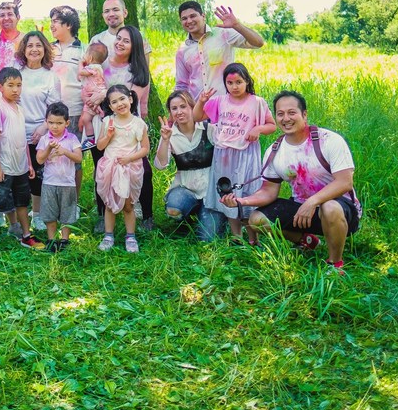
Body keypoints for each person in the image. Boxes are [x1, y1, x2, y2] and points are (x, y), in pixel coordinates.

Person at [221, 90, 361, 272]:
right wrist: (241, 201)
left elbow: (344, 182)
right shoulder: (275, 150)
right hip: (302, 211)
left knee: (329, 207)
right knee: (256, 219)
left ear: (304, 114)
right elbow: (269, 191)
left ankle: (335, 263)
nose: (286, 118)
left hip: (340, 210)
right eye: (280, 114)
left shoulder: (329, 140)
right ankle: (307, 240)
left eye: (291, 112)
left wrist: (313, 201)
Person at [193, 62, 275, 243]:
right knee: (227, 193)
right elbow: (196, 117)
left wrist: (259, 129)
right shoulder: (219, 101)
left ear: (247, 81)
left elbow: (272, 125)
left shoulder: (257, 103)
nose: (234, 86)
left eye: (239, 82)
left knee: (246, 193)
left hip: (246, 156)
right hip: (223, 156)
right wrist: (201, 101)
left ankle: (253, 237)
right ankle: (237, 236)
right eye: (230, 83)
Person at [95, 24, 155, 230]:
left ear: (134, 46)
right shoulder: (102, 64)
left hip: (131, 127)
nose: (120, 43)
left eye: (126, 41)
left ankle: (146, 214)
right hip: (105, 123)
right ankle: (103, 215)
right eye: (118, 38)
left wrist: (103, 95)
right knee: (103, 170)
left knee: (143, 171)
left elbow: (132, 97)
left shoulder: (138, 71)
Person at [0, 67, 45, 255]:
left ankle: (26, 235)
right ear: (0, 87)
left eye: (19, 85)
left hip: (20, 167)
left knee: (22, 202)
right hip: (4, 168)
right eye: (10, 85)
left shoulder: (19, 109)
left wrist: (28, 163)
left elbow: (22, 138)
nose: (15, 89)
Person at [154, 90, 223, 242]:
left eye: (183, 106)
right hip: (186, 190)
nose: (179, 112)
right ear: (171, 113)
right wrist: (165, 140)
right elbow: (160, 165)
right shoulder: (169, 134)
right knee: (173, 208)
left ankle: (209, 216)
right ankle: (187, 219)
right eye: (174, 108)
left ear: (192, 107)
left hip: (211, 193)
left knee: (207, 239)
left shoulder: (208, 129)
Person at [14, 30, 62, 234]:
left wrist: (44, 127)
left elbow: (55, 109)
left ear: (45, 50)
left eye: (38, 45)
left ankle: (38, 214)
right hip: (16, 132)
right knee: (16, 176)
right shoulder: (16, 73)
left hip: (40, 134)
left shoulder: (50, 77)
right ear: (24, 49)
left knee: (37, 176)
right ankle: (13, 217)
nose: (34, 49)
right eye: (30, 45)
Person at [94, 85, 151, 253]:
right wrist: (108, 136)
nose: (119, 104)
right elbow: (99, 146)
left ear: (130, 99)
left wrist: (129, 158)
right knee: (110, 204)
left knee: (128, 205)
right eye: (114, 102)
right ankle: (108, 235)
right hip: (110, 167)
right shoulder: (108, 122)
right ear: (110, 106)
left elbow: (145, 148)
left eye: (122, 99)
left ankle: (130, 236)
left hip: (129, 167)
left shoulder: (138, 124)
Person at [174, 2, 265, 99]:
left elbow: (258, 43)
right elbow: (181, 85)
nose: (189, 21)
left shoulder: (222, 34)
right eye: (184, 18)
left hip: (226, 105)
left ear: (203, 16)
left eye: (193, 16)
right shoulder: (182, 50)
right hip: (199, 109)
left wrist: (236, 25)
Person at [48, 5, 84, 215]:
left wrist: (86, 112)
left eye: (56, 21)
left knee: (75, 159)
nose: (52, 25)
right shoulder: (48, 50)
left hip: (76, 113)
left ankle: (73, 204)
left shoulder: (83, 50)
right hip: (51, 115)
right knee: (51, 157)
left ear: (68, 25)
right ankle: (52, 203)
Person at [36, 102, 82, 252]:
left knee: (67, 212)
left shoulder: (72, 138)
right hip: (49, 182)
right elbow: (39, 159)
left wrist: (64, 151)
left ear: (67, 123)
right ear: (46, 122)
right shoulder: (44, 139)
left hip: (67, 183)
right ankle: (51, 240)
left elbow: (79, 158)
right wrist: (49, 147)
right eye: (51, 123)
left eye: (59, 123)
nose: (54, 126)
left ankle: (65, 240)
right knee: (50, 213)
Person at [77, 42, 109, 148]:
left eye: (85, 54)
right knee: (92, 113)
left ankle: (91, 139)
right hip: (92, 95)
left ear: (89, 57)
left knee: (86, 119)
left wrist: (80, 63)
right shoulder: (95, 68)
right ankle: (100, 112)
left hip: (94, 96)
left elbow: (81, 72)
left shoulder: (94, 68)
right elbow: (80, 77)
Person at [0, 0, 25, 74]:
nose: (6, 18)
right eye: (2, 15)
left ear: (18, 17)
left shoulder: (26, 41)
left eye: (10, 14)